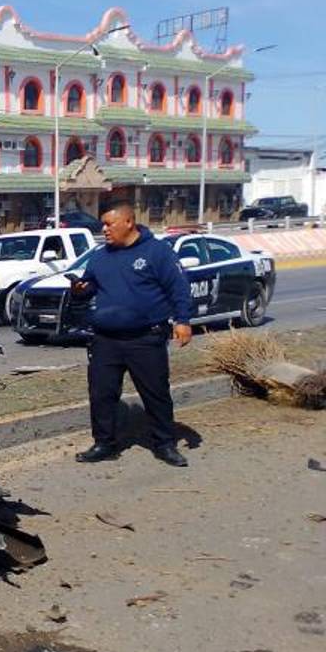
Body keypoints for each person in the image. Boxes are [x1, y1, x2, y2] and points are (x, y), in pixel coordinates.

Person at [70, 200, 193, 467]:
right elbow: (91, 285)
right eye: (102, 223)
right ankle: (105, 443)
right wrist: (81, 289)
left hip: (145, 339)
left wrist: (182, 320)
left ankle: (164, 444)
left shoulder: (157, 252)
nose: (104, 229)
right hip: (105, 340)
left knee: (156, 394)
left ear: (128, 222)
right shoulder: (100, 256)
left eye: (108, 223)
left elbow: (179, 287)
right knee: (102, 394)